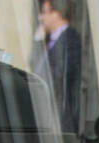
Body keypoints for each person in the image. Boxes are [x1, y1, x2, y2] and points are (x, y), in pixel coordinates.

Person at [33, 0, 82, 135]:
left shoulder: (69, 39)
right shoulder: (51, 40)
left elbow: (56, 76)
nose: (40, 18)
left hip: (60, 118)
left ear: (56, 14)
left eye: (44, 13)